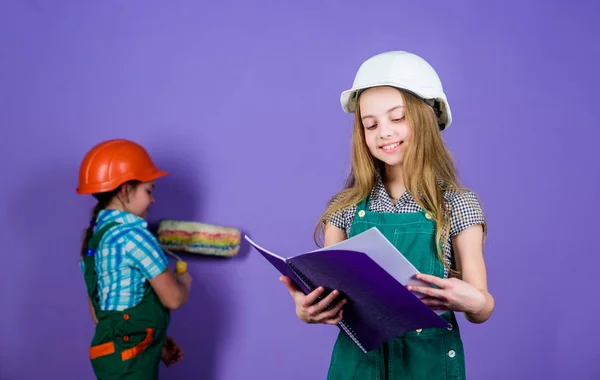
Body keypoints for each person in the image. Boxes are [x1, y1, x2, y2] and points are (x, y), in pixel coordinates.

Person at [279, 51, 494, 379]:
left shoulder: (458, 205)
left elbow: (482, 307)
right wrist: (306, 309)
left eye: (397, 118)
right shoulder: (345, 207)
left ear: (425, 118)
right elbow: (327, 288)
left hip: (429, 367)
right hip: (357, 368)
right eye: (371, 124)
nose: (384, 132)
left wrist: (473, 301)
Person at [76, 138, 193, 379]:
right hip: (131, 363)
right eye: (148, 190)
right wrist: (184, 280)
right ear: (125, 189)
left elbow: (103, 316)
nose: (152, 200)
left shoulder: (94, 241)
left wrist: (155, 342)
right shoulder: (135, 237)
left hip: (110, 357)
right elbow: (173, 299)